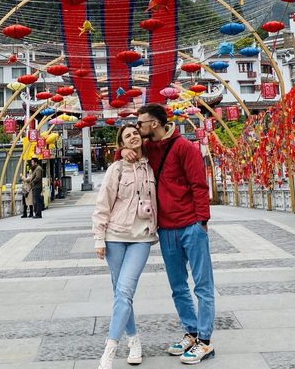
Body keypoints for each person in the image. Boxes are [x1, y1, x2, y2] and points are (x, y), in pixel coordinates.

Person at [120, 103, 215, 365]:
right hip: (166, 228)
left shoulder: (185, 147)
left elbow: (198, 185)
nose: (138, 128)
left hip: (191, 226)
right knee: (178, 287)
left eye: (141, 123)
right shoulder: (149, 149)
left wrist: (202, 221)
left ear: (156, 124)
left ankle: (205, 341)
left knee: (203, 285)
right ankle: (191, 331)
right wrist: (125, 149)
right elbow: (125, 151)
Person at [92, 125, 158, 368]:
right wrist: (99, 238)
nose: (133, 137)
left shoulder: (153, 164)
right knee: (121, 294)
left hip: (141, 237)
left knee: (125, 291)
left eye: (135, 133)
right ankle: (134, 339)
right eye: (127, 135)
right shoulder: (116, 168)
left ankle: (109, 351)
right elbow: (103, 204)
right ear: (121, 143)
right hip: (115, 236)